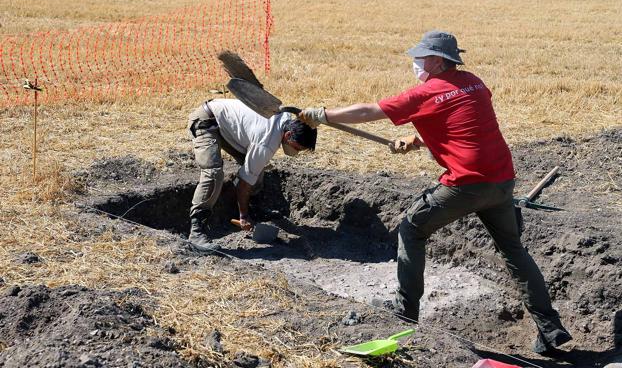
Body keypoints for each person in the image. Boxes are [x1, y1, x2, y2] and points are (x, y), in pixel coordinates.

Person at [299, 30, 572, 354]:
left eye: (422, 57)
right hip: (501, 180)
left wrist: (322, 115)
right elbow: (461, 124)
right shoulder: (474, 82)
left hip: (467, 184)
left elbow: (367, 112)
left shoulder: (425, 93)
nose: (416, 63)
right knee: (513, 251)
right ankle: (551, 329)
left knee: (412, 228)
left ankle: (404, 313)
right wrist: (415, 141)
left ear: (438, 61)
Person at [187, 98, 317, 252]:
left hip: (227, 124)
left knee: (257, 166)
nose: (297, 152)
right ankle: (197, 231)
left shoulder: (286, 119)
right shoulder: (266, 142)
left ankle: (254, 209)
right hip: (206, 121)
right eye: (298, 148)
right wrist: (243, 216)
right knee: (214, 174)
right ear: (288, 135)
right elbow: (245, 182)